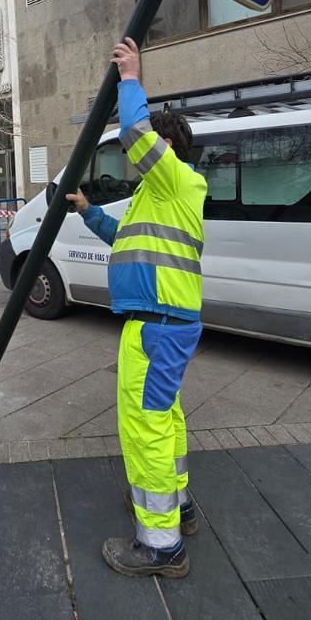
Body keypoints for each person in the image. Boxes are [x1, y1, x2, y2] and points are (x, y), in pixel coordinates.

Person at [67, 36, 206, 579]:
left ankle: (161, 546)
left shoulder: (175, 178)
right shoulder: (162, 197)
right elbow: (126, 239)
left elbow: (135, 132)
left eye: (150, 147)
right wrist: (88, 212)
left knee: (144, 426)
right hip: (165, 326)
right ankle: (180, 506)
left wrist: (130, 79)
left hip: (154, 330)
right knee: (164, 419)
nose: (135, 155)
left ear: (167, 149)